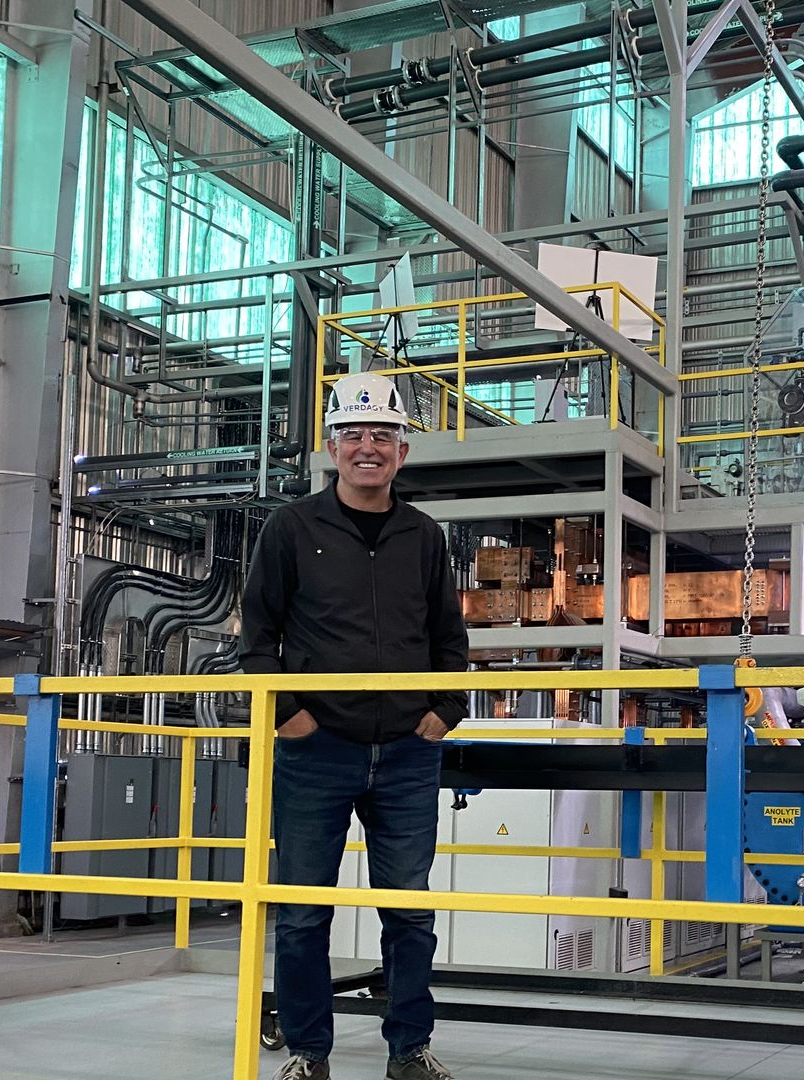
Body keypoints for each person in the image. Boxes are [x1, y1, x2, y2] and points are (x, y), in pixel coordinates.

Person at [240, 372, 469, 1080]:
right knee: (305, 914)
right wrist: (290, 716)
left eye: (381, 436)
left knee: (409, 911)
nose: (367, 448)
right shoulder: (292, 529)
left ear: (402, 451)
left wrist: (443, 714)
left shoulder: (423, 536)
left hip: (406, 751)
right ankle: (310, 1054)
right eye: (353, 435)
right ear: (331, 447)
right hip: (318, 749)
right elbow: (256, 636)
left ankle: (410, 1050)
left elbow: (448, 639)